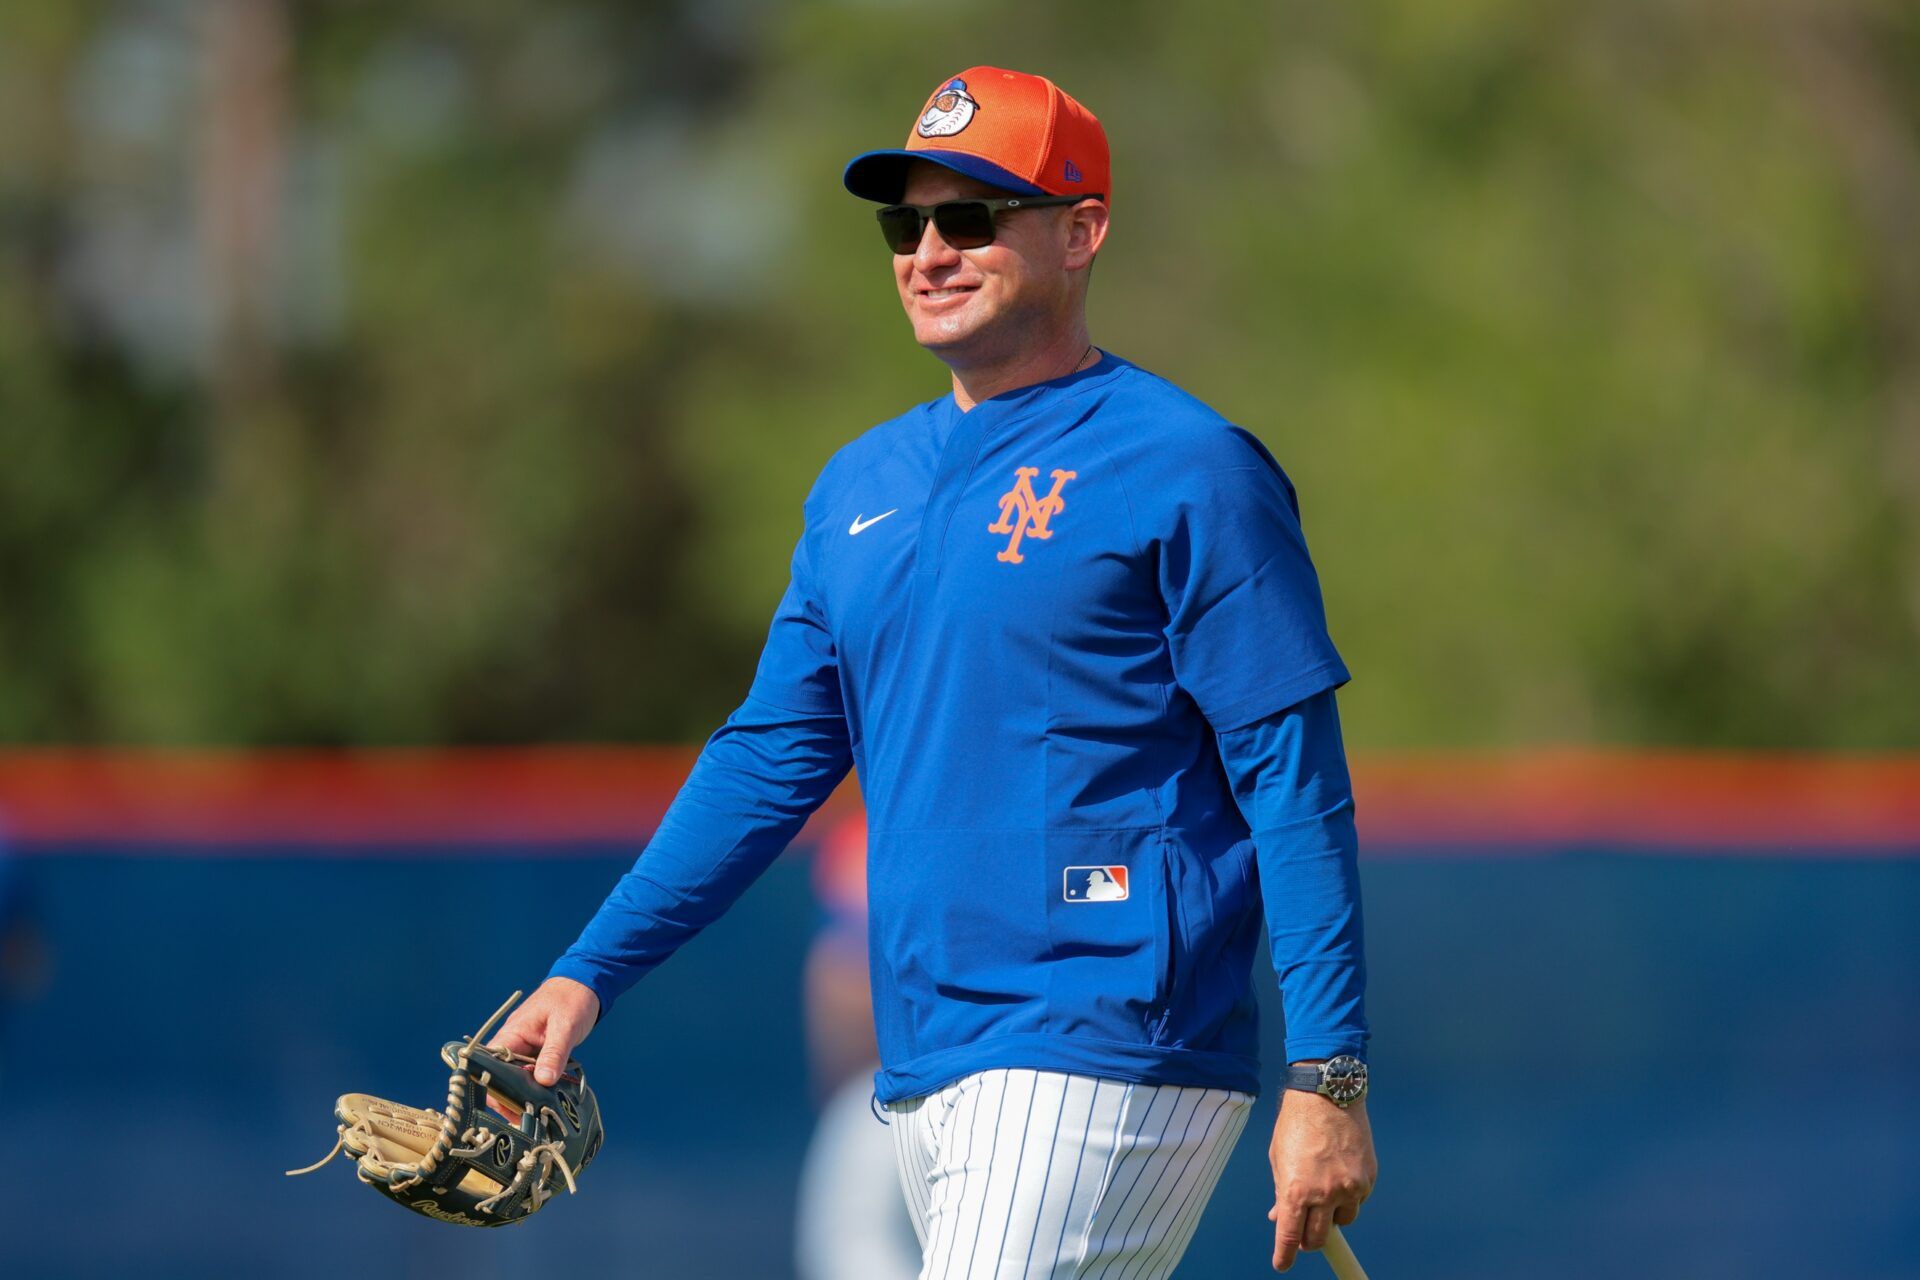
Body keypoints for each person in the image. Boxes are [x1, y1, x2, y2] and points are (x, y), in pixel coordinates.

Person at [495, 66, 1377, 1277]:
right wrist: (589, 969)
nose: (928, 250)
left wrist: (1327, 1073)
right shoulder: (863, 484)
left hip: (1107, 1024)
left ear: (1082, 231)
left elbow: (1294, 777)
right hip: (921, 1054)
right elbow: (768, 757)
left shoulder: (1187, 466)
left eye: (970, 217)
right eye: (903, 223)